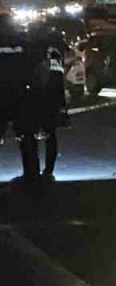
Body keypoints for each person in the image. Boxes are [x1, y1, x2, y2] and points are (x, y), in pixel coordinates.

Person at [16, 26, 67, 183]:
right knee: (50, 135)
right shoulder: (55, 53)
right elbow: (59, 75)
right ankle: (48, 170)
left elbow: (25, 75)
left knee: (29, 134)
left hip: (33, 98)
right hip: (51, 99)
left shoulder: (29, 50)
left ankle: (32, 170)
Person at [0, 10, 33, 176]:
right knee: (26, 135)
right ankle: (31, 172)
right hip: (20, 93)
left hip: (2, 94)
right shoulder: (22, 41)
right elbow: (29, 66)